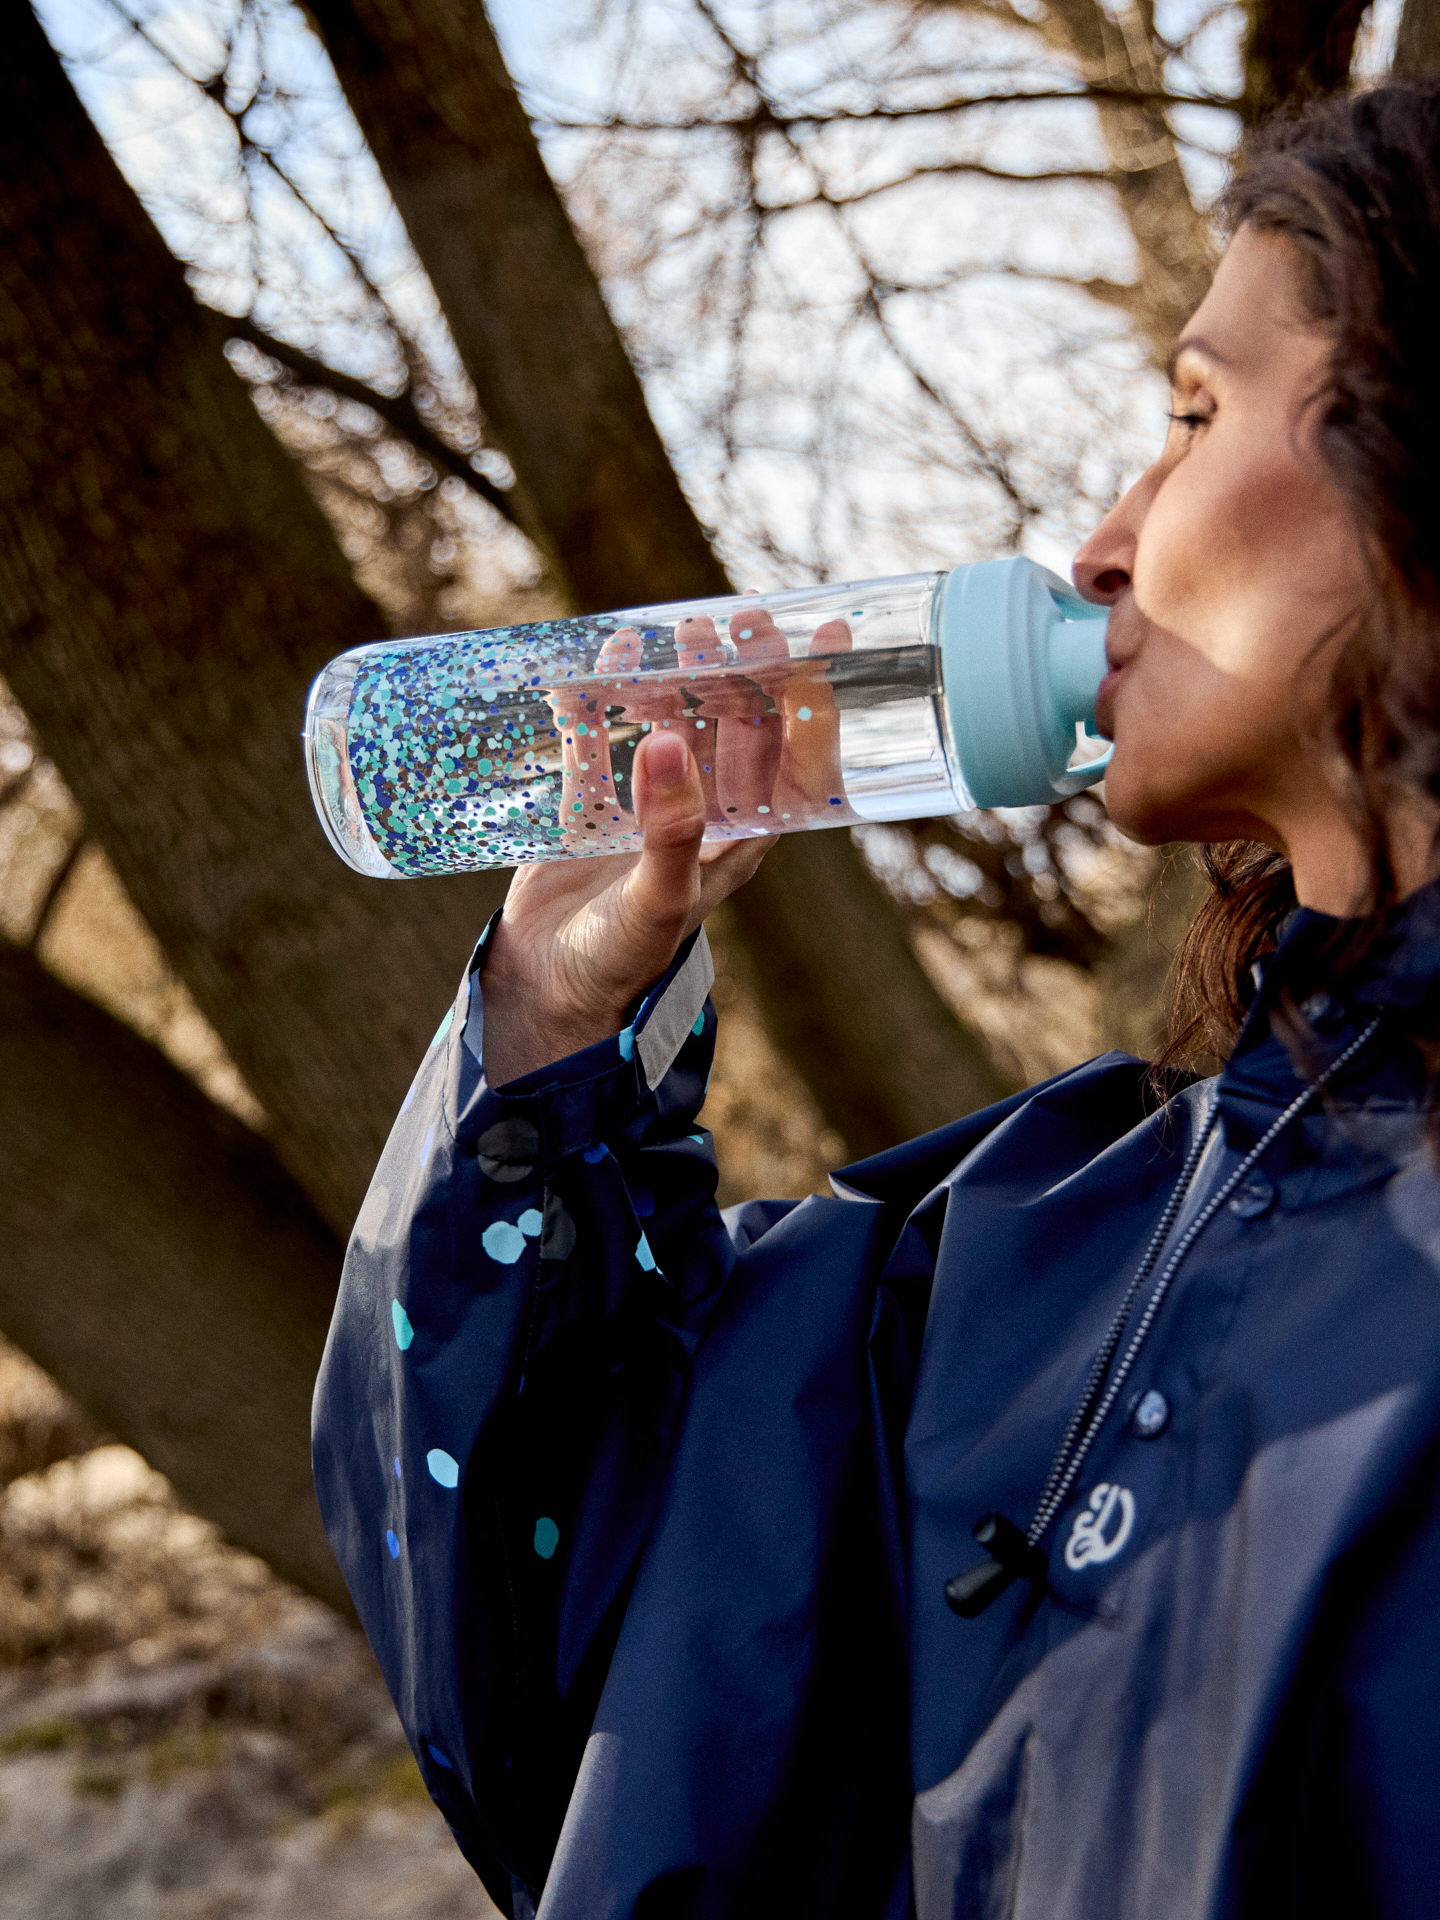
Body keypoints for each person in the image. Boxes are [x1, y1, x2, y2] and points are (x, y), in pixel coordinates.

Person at [312, 84, 1440, 1919]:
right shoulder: (1048, 1229)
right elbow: (572, 1665)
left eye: (1193, 416)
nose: (1099, 548)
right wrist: (552, 1043)